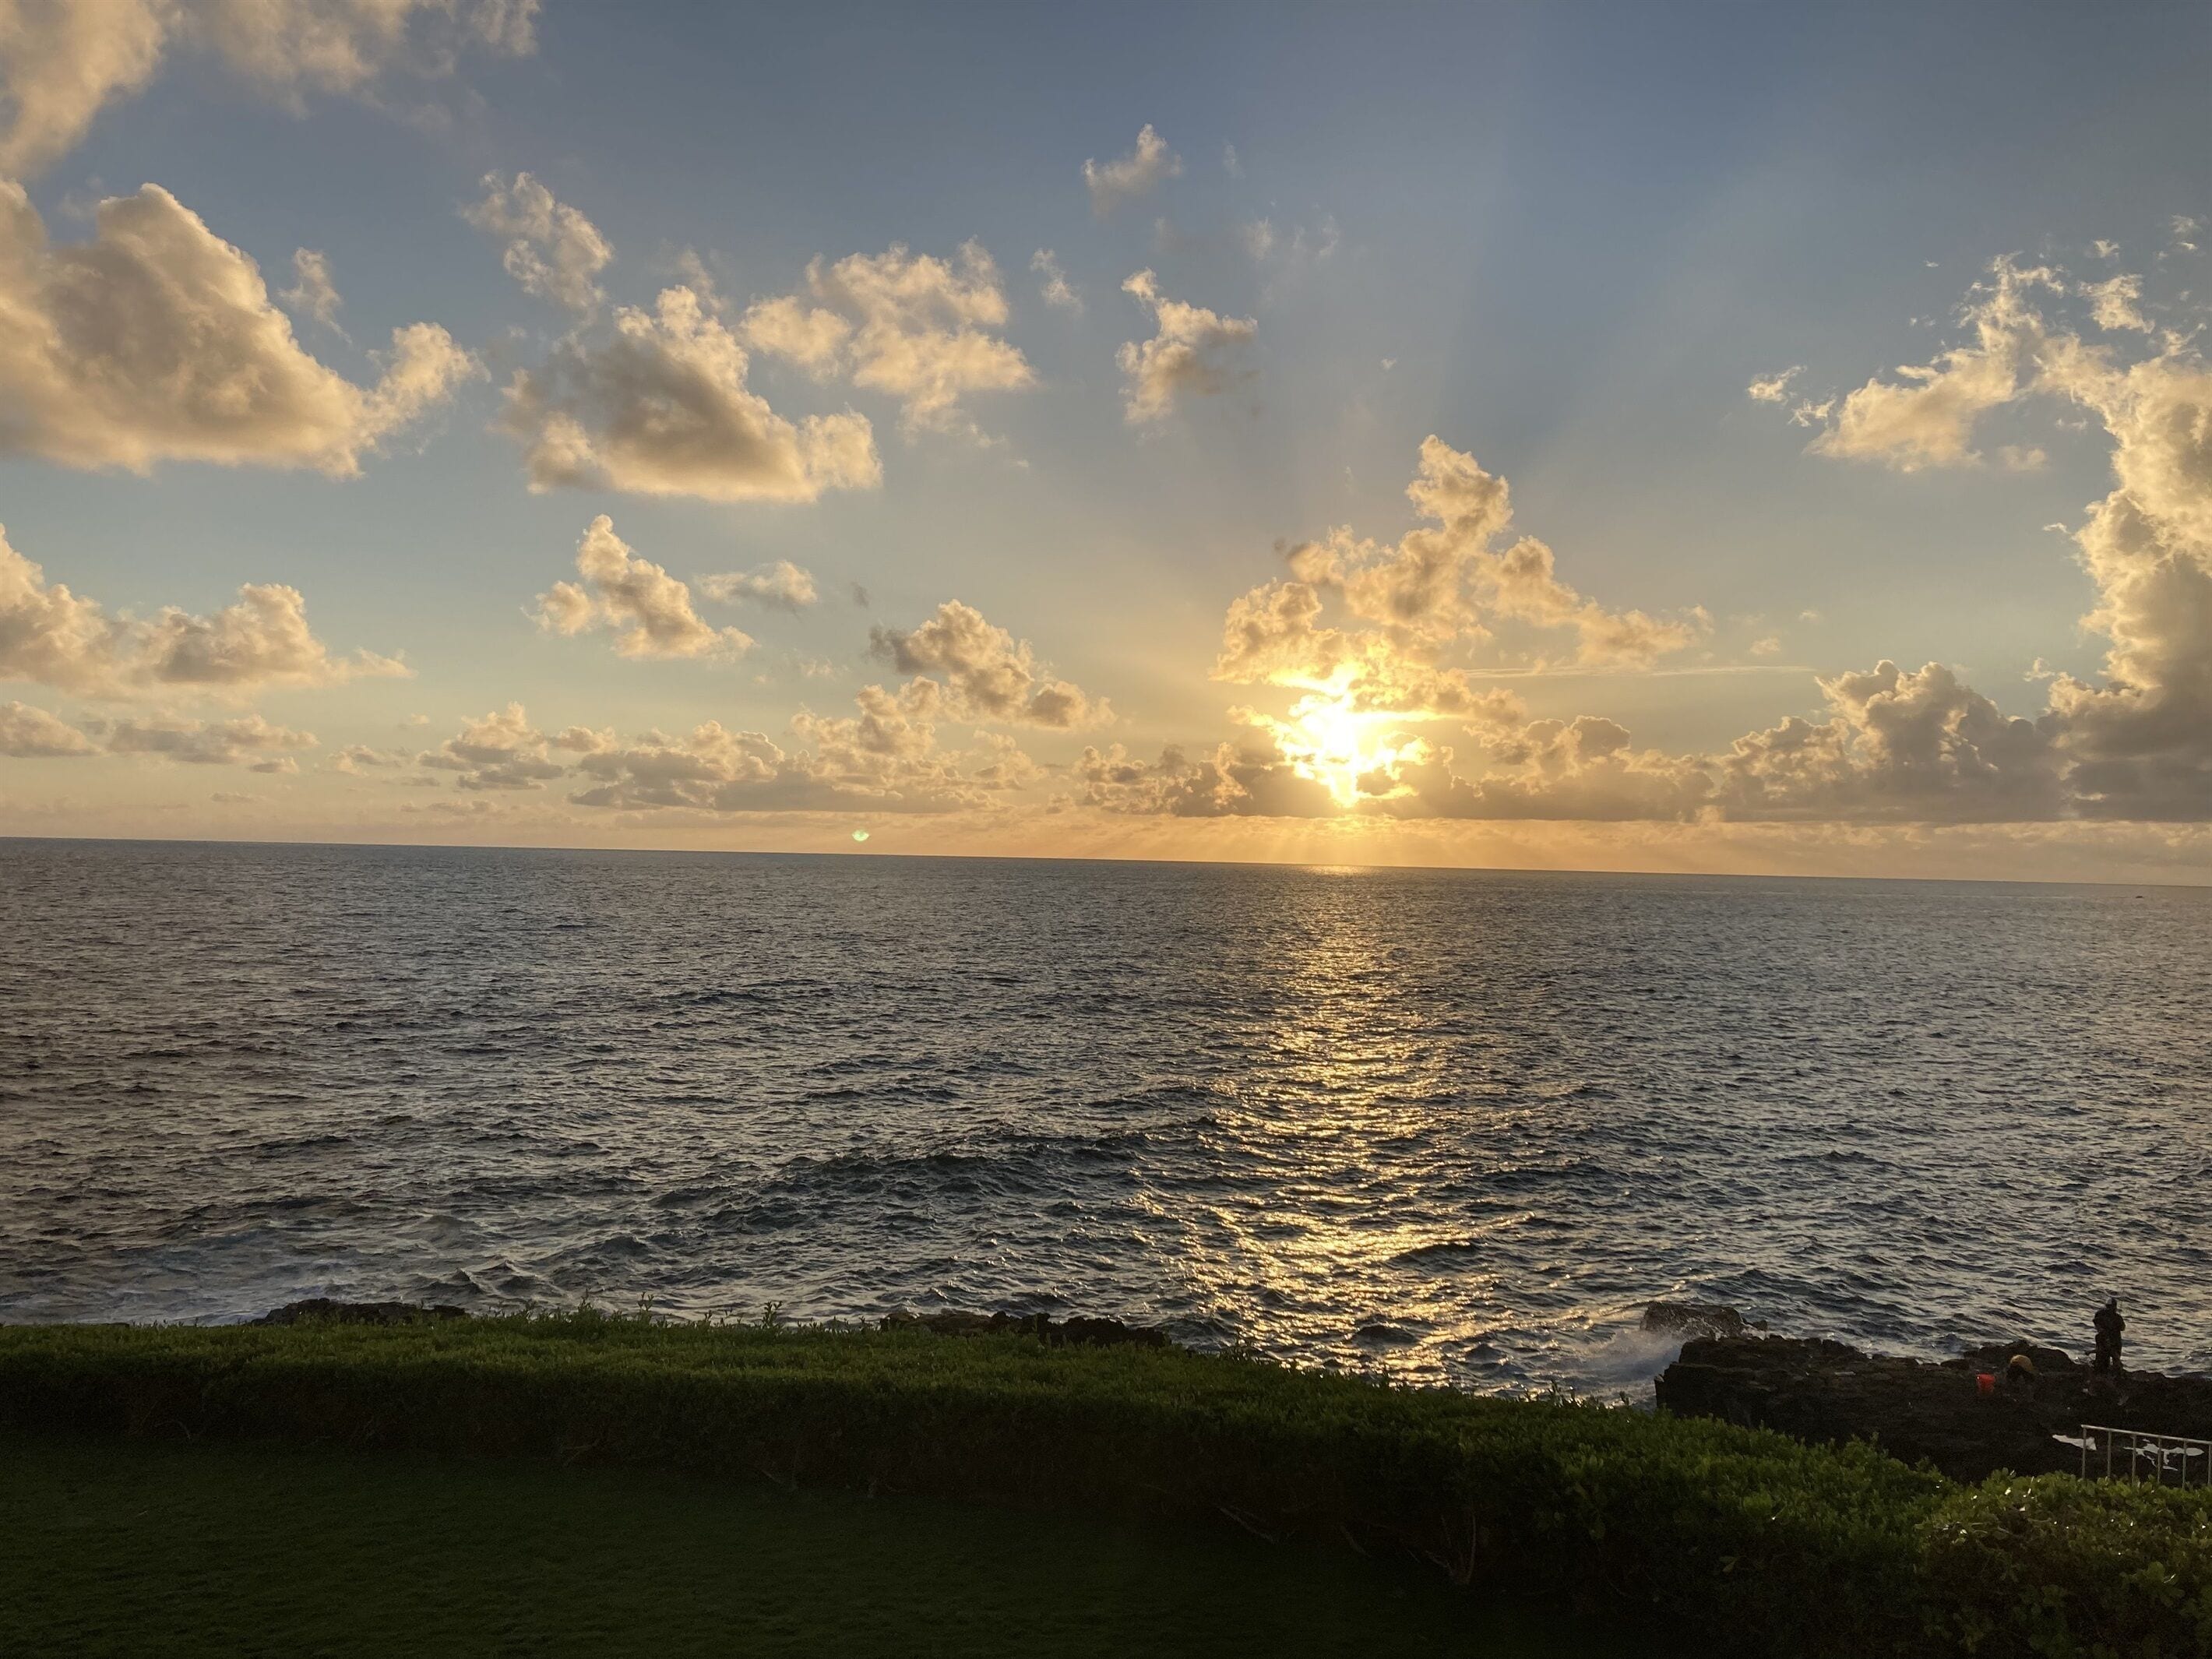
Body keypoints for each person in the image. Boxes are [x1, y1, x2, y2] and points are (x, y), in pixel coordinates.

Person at [2093, 1297, 2125, 1375]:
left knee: (2103, 1359)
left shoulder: (2100, 1313)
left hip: (2107, 1338)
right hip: (2114, 1340)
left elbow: (2095, 1321)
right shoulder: (2117, 1317)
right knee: (2115, 1360)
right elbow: (2123, 1328)